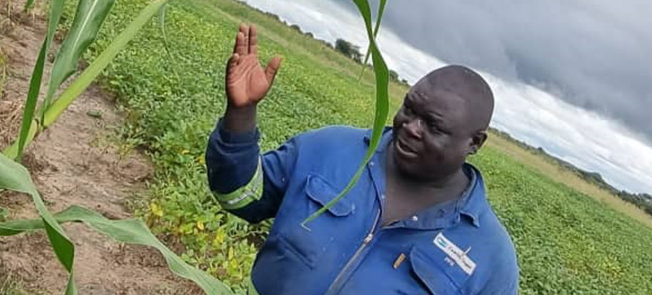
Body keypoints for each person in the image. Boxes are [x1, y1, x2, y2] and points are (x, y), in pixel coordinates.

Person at [206, 24, 520, 295]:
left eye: (433, 126)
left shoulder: (489, 256)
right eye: (409, 109)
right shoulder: (328, 148)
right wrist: (241, 115)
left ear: (474, 143)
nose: (410, 128)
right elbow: (239, 198)